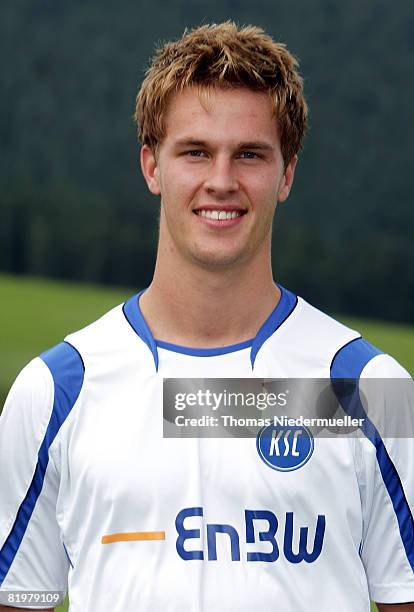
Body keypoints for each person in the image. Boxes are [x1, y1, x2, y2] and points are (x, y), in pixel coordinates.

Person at [0, 21, 413, 612]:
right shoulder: (56, 392)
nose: (221, 181)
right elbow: (22, 596)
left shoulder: (370, 391)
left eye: (249, 154)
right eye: (195, 151)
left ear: (287, 173)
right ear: (151, 167)